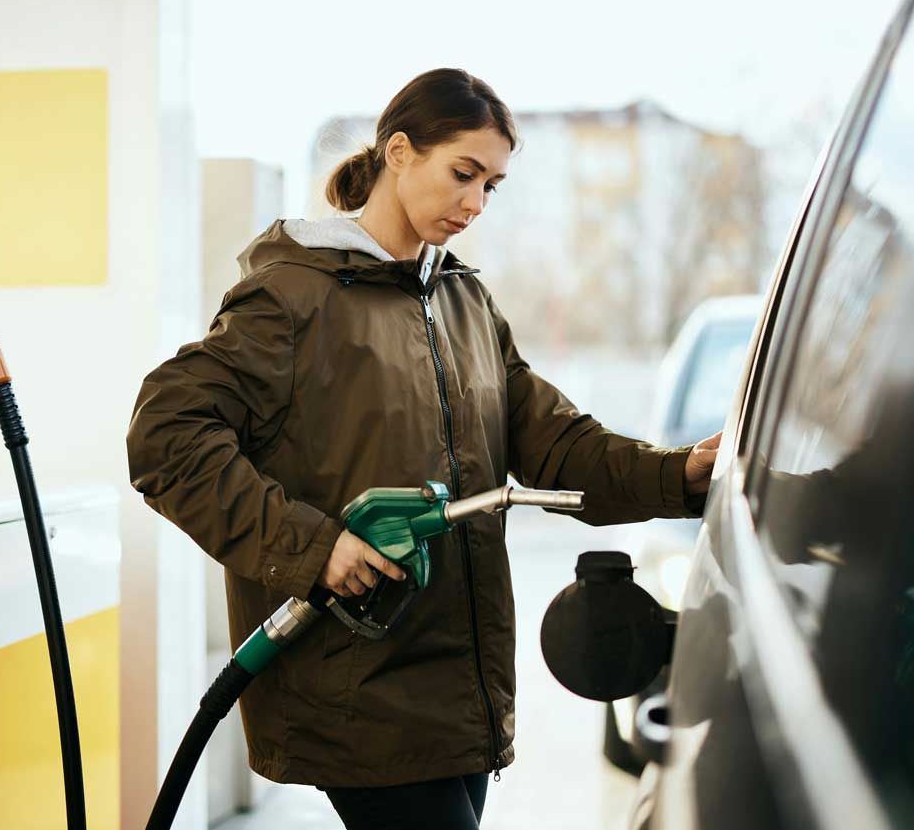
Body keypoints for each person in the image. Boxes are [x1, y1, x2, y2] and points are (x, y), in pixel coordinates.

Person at [127, 68, 719, 830]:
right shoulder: (292, 297)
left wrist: (680, 475)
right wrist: (316, 549)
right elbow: (165, 436)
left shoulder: (463, 300)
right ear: (399, 152)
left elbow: (556, 445)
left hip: (454, 690)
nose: (475, 203)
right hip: (358, 687)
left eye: (492, 186)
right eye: (463, 174)